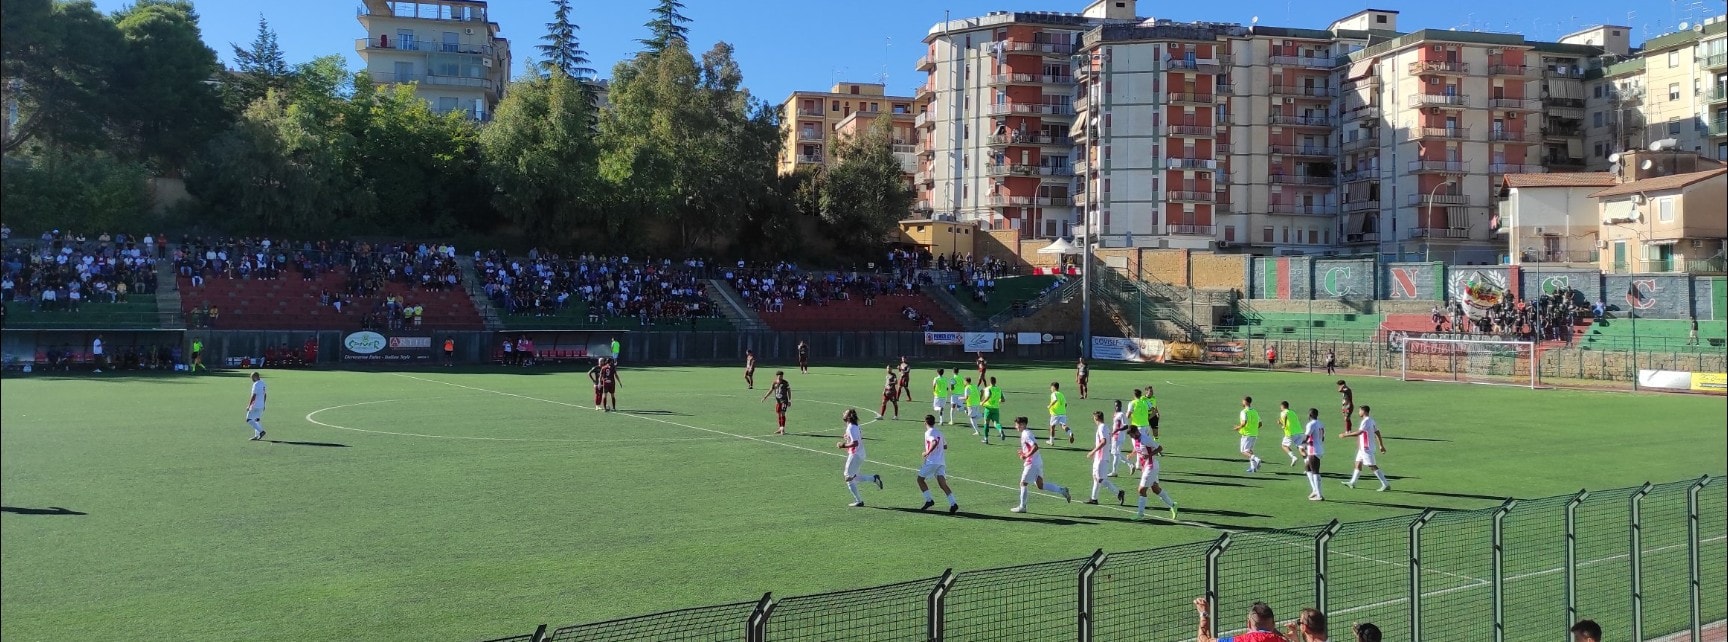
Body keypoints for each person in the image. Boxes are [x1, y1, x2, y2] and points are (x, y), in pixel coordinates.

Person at [1011, 416, 1072, 512]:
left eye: (1017, 425)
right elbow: (1031, 447)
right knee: (1040, 485)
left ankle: (1022, 507)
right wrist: (1024, 453)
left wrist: (1026, 455)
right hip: (1037, 461)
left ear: (1022, 425)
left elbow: (1035, 447)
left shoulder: (1026, 434)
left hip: (1032, 463)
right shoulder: (1026, 433)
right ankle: (1062, 490)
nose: (1015, 427)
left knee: (1023, 483)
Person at [1125, 425, 1179, 520]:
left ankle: (1140, 514)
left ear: (1136, 432)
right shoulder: (1134, 439)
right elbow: (1136, 448)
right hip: (1145, 467)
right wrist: (1131, 454)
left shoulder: (1146, 439)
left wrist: (1149, 455)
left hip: (1151, 466)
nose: (1131, 437)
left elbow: (1160, 448)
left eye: (1132, 435)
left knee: (1141, 490)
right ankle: (1173, 505)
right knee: (1155, 489)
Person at [837, 409, 883, 507]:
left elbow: (855, 443)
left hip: (855, 455)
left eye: (845, 413)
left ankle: (859, 501)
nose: (843, 413)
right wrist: (847, 437)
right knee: (854, 477)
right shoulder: (854, 426)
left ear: (848, 417)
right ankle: (874, 478)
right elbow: (856, 438)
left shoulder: (851, 427)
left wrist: (843, 445)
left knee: (848, 477)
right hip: (860, 454)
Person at [1339, 405, 1389, 492]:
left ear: (1364, 411)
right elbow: (1377, 432)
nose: (1359, 413)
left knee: (1372, 466)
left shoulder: (1365, 421)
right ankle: (1353, 482)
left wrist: (1345, 435)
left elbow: (1359, 433)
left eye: (1360, 411)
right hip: (1362, 448)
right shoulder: (1371, 420)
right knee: (1358, 464)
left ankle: (1385, 484)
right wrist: (1381, 445)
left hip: (1366, 447)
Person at [916, 414, 959, 513]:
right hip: (941, 462)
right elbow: (945, 446)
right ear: (934, 422)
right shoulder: (940, 432)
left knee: (920, 479)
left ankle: (929, 500)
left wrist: (927, 452)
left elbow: (934, 442)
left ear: (925, 423)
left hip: (932, 461)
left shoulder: (928, 433)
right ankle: (953, 503)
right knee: (942, 483)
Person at [1193, 597, 1285, 642]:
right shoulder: (1283, 640)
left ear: (1248, 624)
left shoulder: (1239, 640)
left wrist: (1204, 614)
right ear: (1273, 624)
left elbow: (1203, 640)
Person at [1085, 411, 1125, 505]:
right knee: (1097, 478)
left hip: (1101, 458)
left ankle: (1096, 498)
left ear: (1096, 418)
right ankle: (1095, 498)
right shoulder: (1105, 427)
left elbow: (1104, 441)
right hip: (1101, 457)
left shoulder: (1102, 428)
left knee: (1099, 479)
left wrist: (1093, 451)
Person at [1301, 408, 1326, 501]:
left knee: (1315, 471)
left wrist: (1301, 443)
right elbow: (1322, 438)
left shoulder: (1310, 424)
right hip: (1319, 448)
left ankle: (1319, 495)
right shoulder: (1320, 424)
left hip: (1313, 450)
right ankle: (1315, 490)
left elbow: (1306, 437)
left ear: (1309, 415)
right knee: (1307, 468)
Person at [1234, 396, 1264, 473]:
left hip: (1246, 435)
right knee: (1249, 451)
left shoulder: (1244, 412)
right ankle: (1253, 467)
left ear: (1246, 402)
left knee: (1243, 451)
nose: (1242, 403)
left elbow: (1244, 423)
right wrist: (1253, 429)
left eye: (1243, 401)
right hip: (1254, 434)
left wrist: (1238, 427)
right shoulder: (1255, 411)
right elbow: (1260, 424)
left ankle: (1256, 459)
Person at [761, 370, 791, 435]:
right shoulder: (774, 383)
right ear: (777, 376)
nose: (781, 377)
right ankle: (780, 428)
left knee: (783, 413)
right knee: (778, 413)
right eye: (780, 376)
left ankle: (782, 428)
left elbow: (789, 391)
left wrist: (789, 400)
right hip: (778, 401)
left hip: (784, 401)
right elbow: (771, 390)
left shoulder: (785, 382)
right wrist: (765, 397)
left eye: (782, 376)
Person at [982, 376, 1007, 442]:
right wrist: (998, 401)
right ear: (995, 382)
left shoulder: (988, 388)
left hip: (988, 408)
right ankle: (1000, 430)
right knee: (996, 423)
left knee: (986, 423)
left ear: (990, 382)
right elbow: (1003, 400)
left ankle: (986, 438)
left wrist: (983, 402)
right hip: (996, 408)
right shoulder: (999, 389)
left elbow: (988, 396)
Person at [245, 372, 268, 441]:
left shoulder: (256, 384)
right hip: (261, 405)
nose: (251, 379)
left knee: (248, 420)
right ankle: (256, 435)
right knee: (256, 419)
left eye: (252, 378)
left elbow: (254, 395)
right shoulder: (263, 383)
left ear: (255, 377)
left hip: (255, 405)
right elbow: (265, 394)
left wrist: (249, 405)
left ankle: (261, 431)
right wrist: (264, 404)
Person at [1278, 400, 1302, 466]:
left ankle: (1293, 457)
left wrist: (1284, 425)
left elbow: (1285, 416)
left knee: (1284, 445)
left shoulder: (1283, 412)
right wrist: (1281, 423)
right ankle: (1308, 462)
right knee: (1300, 447)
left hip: (1290, 433)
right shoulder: (1293, 412)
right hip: (1299, 432)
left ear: (1283, 406)